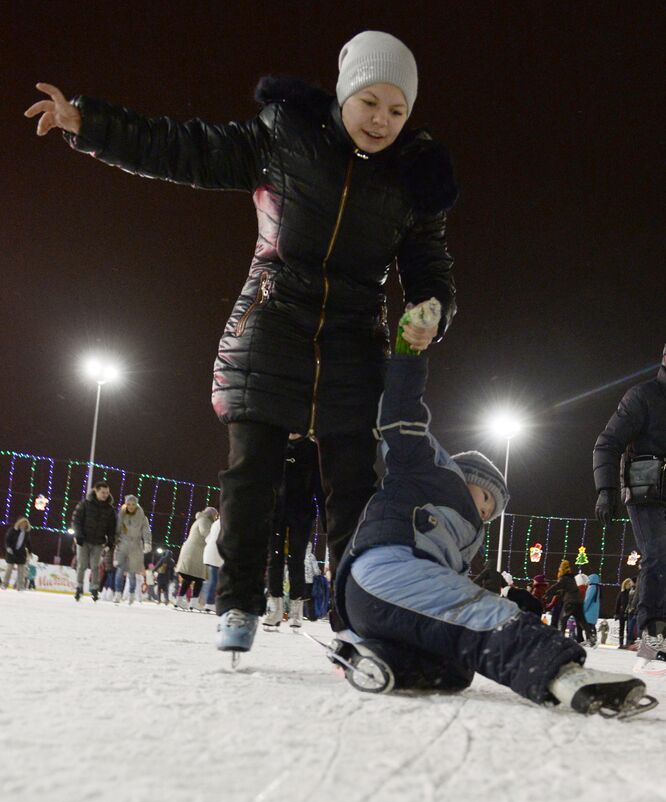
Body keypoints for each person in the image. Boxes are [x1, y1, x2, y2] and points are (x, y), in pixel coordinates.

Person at [25, 29, 458, 655]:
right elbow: (187, 149)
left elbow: (430, 266)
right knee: (251, 472)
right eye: (370, 102)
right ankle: (239, 607)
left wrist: (431, 310)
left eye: (397, 110)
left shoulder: (415, 176)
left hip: (352, 337)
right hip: (273, 316)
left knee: (354, 486)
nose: (381, 120)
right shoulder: (287, 135)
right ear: (345, 94)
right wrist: (89, 123)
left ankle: (356, 614)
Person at [331, 351, 654, 717]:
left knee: (456, 666)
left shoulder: (463, 540)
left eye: (491, 512)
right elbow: (400, 414)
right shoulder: (428, 470)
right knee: (485, 614)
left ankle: (375, 657)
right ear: (464, 474)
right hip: (389, 571)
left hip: (382, 609)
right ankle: (566, 675)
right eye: (487, 498)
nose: (485, 513)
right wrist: (409, 350)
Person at [594, 342, 666, 674]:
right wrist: (606, 490)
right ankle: (654, 640)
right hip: (645, 491)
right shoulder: (642, 396)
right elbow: (608, 443)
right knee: (658, 552)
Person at [263, 436, 322, 631]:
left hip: (301, 512)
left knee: (297, 558)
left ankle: (296, 611)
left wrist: (323, 514)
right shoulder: (275, 444)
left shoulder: (311, 449)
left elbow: (318, 483)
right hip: (276, 512)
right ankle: (275, 608)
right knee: (274, 559)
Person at [71, 480, 117, 601]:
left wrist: (110, 541)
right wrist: (78, 535)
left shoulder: (110, 510)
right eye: (102, 492)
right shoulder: (85, 504)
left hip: (98, 542)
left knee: (95, 566)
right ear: (96, 491)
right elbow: (76, 520)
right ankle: (79, 587)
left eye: (107, 492)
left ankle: (94, 588)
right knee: (82, 565)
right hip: (84, 540)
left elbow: (112, 528)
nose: (105, 495)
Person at [174, 507, 219, 610]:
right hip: (196, 552)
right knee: (199, 578)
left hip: (194, 551)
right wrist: (214, 543)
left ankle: (180, 600)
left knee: (190, 577)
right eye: (215, 515)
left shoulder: (200, 519)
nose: (216, 518)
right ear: (211, 514)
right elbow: (205, 533)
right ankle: (193, 602)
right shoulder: (205, 520)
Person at [543, 561, 595, 646]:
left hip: (570, 602)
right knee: (582, 621)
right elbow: (565, 590)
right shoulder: (572, 578)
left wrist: (547, 593)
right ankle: (591, 638)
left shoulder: (564, 578)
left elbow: (557, 586)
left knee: (562, 620)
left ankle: (561, 639)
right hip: (579, 601)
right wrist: (555, 594)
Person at [113, 495, 152, 604]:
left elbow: (146, 530)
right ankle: (117, 594)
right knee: (120, 570)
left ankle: (131, 594)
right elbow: (116, 530)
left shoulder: (142, 517)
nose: (130, 506)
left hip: (136, 546)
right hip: (123, 545)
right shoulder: (121, 515)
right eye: (128, 504)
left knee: (132, 572)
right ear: (126, 504)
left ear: (136, 505)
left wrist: (147, 542)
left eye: (133, 504)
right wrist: (114, 541)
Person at [2, 517, 33, 590]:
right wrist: (8, 548)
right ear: (19, 524)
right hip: (12, 552)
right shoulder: (12, 530)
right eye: (22, 524)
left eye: (25, 525)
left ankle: (20, 586)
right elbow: (7, 540)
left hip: (21, 554)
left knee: (21, 571)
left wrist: (30, 552)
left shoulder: (26, 533)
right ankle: (4, 585)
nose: (23, 526)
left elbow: (28, 543)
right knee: (9, 570)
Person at [582, 572, 601, 647]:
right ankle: (592, 640)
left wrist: (583, 608)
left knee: (588, 626)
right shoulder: (597, 587)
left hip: (589, 610)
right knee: (591, 625)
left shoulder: (592, 587)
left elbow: (588, 599)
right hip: (594, 610)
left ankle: (590, 640)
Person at [614, 578, 634, 648]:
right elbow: (617, 603)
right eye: (627, 584)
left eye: (630, 584)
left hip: (630, 613)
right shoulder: (622, 593)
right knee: (621, 628)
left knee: (629, 628)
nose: (629, 585)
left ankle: (628, 643)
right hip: (622, 613)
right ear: (624, 585)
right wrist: (616, 613)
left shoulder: (632, 593)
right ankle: (621, 643)